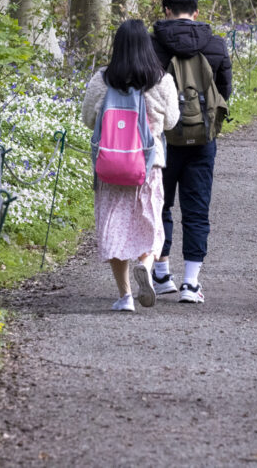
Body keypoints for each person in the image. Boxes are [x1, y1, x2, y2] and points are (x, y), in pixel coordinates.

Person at [82, 20, 180, 312]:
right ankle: (147, 267)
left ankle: (124, 296)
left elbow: (88, 118)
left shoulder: (102, 79)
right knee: (150, 221)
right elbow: (173, 121)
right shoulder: (161, 80)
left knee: (114, 225)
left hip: (110, 167)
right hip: (147, 166)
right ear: (147, 46)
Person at [150, 0, 232, 304]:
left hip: (162, 139)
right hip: (202, 139)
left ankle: (161, 274)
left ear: (166, 10)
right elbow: (224, 89)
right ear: (196, 12)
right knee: (197, 210)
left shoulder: (152, 45)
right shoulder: (215, 44)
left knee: (160, 204)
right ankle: (191, 283)